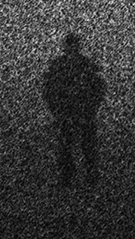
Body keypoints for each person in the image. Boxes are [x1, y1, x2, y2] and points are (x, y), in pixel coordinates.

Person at [42, 31, 105, 189]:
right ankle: (72, 178)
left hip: (81, 113)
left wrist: (91, 108)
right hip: (70, 113)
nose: (72, 48)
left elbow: (98, 89)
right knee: (70, 147)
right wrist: (57, 109)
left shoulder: (80, 65)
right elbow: (49, 90)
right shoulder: (65, 65)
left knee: (83, 147)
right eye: (71, 45)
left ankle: (85, 177)